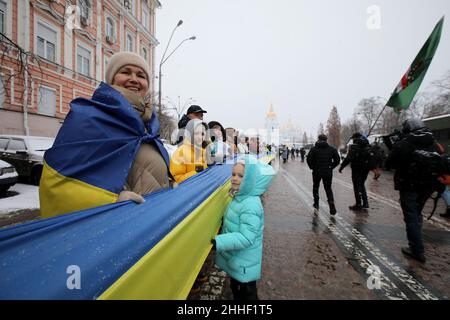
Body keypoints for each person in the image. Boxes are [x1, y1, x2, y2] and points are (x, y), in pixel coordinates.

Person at [39, 51, 172, 218]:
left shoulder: (148, 126)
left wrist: (168, 185)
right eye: (125, 72)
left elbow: (145, 169)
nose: (134, 79)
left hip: (152, 221)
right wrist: (110, 202)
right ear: (111, 79)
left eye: (141, 75)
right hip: (117, 226)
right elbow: (55, 182)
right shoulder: (89, 116)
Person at [212, 155, 275, 300]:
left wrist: (219, 241)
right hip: (238, 261)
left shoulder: (251, 204)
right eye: (233, 174)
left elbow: (246, 237)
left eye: (240, 176)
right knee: (236, 289)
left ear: (249, 180)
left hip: (244, 264)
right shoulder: (240, 197)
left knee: (246, 295)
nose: (234, 178)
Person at [385, 118, 440, 263]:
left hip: (409, 184)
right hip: (428, 185)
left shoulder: (404, 143)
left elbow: (389, 163)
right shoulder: (432, 142)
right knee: (417, 212)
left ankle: (416, 249)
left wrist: (395, 147)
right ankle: (417, 242)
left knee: (411, 216)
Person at [306, 134, 340, 215]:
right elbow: (337, 160)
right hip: (327, 171)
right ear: (326, 140)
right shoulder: (331, 149)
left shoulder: (314, 149)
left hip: (317, 171)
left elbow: (309, 159)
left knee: (316, 187)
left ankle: (316, 203)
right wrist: (331, 166)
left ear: (318, 139)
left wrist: (312, 167)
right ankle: (331, 202)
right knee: (328, 188)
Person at [339, 132, 371, 211]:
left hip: (357, 169)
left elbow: (348, 158)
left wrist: (342, 166)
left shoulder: (354, 147)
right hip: (365, 169)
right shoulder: (367, 145)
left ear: (354, 138)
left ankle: (358, 204)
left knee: (357, 186)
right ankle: (365, 203)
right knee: (361, 185)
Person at [170, 119, 208, 184]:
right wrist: (197, 172)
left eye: (202, 134)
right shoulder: (180, 152)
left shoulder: (204, 151)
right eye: (196, 133)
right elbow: (176, 180)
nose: (200, 137)